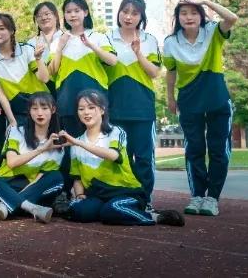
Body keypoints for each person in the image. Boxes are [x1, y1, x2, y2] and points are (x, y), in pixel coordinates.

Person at [163, 0, 239, 217]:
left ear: (202, 15)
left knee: (218, 150)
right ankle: (197, 195)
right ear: (177, 18)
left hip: (217, 100)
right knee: (194, 149)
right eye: (184, 13)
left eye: (194, 12)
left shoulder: (213, 32)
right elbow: (171, 72)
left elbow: (232, 18)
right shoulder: (171, 42)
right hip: (189, 101)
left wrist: (205, 1)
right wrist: (170, 97)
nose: (189, 17)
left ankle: (212, 198)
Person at [64, 90, 185, 227]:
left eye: (91, 107)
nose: (86, 112)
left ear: (102, 110)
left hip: (125, 191)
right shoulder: (76, 143)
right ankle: (109, 212)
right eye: (81, 109)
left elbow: (114, 155)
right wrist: (80, 195)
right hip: (97, 195)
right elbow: (77, 177)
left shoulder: (115, 132)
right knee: (79, 211)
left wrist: (79, 143)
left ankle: (154, 216)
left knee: (112, 209)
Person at [50, 0, 116, 209]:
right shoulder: (59, 39)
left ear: (85, 12)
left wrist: (92, 45)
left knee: (97, 144)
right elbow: (51, 72)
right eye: (68, 11)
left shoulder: (99, 36)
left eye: (77, 10)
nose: (73, 15)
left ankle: (100, 191)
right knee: (68, 148)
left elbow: (112, 61)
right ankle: (66, 193)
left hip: (95, 104)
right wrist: (60, 47)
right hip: (67, 102)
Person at [105, 0, 162, 207]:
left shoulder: (149, 40)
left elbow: (154, 72)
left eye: (134, 13)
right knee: (121, 156)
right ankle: (125, 196)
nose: (128, 17)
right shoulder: (106, 38)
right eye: (125, 11)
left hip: (142, 108)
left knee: (144, 157)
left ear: (141, 17)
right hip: (114, 107)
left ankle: (145, 199)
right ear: (119, 12)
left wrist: (138, 53)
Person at [0, 92, 63, 223]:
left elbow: (38, 181)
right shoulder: (16, 131)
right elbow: (12, 162)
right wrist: (42, 149)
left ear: (53, 110)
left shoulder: (57, 145)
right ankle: (30, 208)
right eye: (35, 108)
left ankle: (8, 206)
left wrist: (16, 198)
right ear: (29, 111)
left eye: (44, 108)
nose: (39, 113)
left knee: (56, 177)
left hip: (29, 190)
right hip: (3, 186)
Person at [0, 14, 51, 157]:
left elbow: (44, 78)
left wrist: (38, 58)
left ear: (12, 30)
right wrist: (12, 121)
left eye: (2, 28)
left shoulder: (27, 49)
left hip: (42, 105)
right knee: (20, 150)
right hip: (17, 110)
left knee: (47, 146)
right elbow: (0, 93)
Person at [25, 2, 64, 94]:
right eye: (39, 16)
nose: (43, 18)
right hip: (42, 90)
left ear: (56, 16)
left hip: (64, 85)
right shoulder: (30, 43)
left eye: (47, 14)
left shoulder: (66, 38)